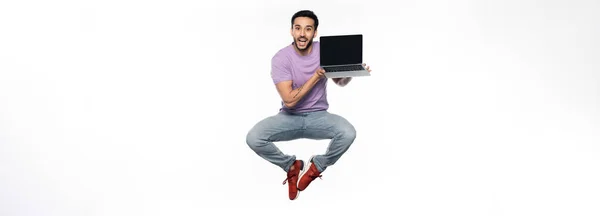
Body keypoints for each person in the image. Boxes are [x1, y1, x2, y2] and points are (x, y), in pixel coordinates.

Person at [245, 10, 372, 200]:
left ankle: (317, 166)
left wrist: (351, 71)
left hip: (319, 116)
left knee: (348, 133)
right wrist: (315, 77)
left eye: (308, 29)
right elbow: (289, 99)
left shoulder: (325, 50)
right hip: (289, 118)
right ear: (291, 31)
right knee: (254, 138)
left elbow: (340, 82)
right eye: (298, 28)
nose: (302, 34)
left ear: (315, 32)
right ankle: (291, 165)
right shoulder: (281, 58)